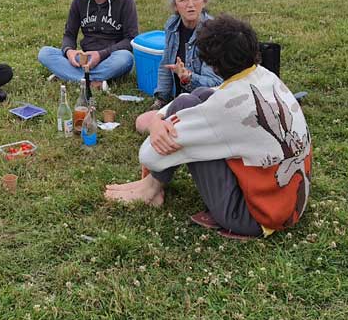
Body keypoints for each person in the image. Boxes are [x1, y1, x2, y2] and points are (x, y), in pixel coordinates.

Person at [105, 16, 312, 238]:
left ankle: (150, 189)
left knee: (187, 123)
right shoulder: (265, 76)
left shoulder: (224, 107)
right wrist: (158, 118)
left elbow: (150, 156)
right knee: (195, 98)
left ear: (213, 64)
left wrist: (160, 125)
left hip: (254, 217)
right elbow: (204, 96)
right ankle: (151, 187)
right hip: (289, 204)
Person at [135, 0, 222, 133]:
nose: (190, 5)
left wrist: (188, 77)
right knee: (142, 123)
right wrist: (161, 99)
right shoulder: (172, 25)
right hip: (180, 100)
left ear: (204, 1)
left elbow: (215, 84)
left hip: (205, 104)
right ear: (175, 5)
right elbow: (165, 64)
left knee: (162, 125)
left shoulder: (213, 33)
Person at [38, 0, 138, 86]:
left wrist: (101, 54)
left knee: (126, 58)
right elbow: (69, 35)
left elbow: (131, 39)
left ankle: (70, 75)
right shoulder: (79, 2)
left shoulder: (125, 1)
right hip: (85, 58)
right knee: (45, 53)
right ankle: (93, 81)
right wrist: (69, 51)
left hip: (111, 57)